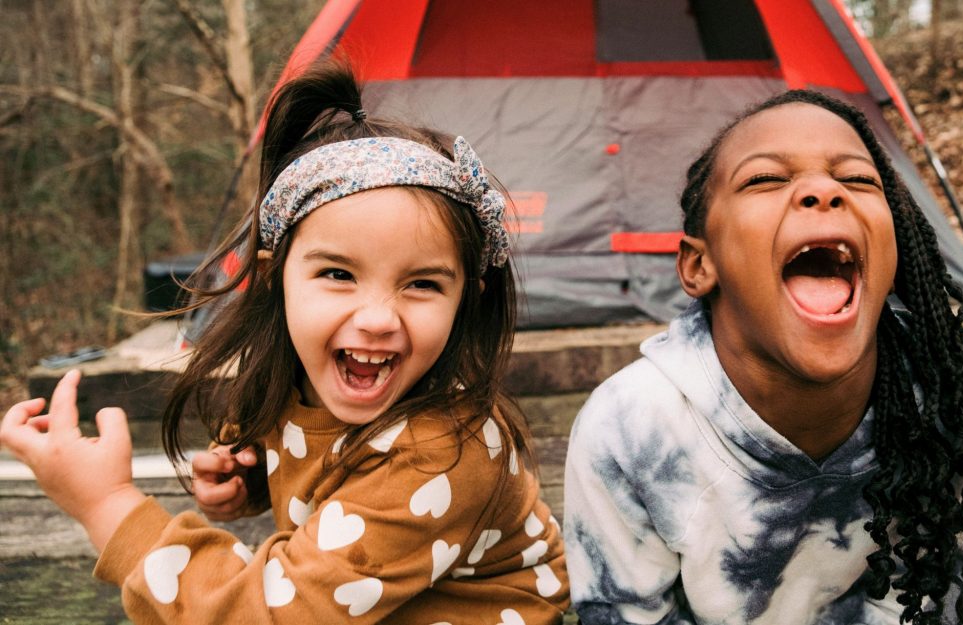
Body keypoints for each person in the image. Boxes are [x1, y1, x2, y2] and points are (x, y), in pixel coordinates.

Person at [1, 59, 569, 624]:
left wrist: (107, 505)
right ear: (276, 278)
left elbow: (261, 616)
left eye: (421, 283)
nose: (376, 318)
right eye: (339, 274)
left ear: (466, 297)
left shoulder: (440, 451)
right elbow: (329, 467)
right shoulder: (299, 381)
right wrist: (250, 477)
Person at [562, 90, 963, 625]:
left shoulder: (946, 394)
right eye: (764, 179)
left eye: (857, 179)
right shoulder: (629, 427)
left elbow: (930, 591)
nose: (822, 191)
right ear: (698, 265)